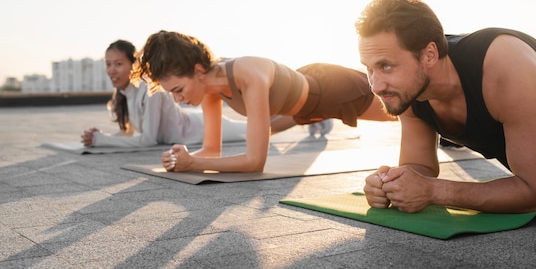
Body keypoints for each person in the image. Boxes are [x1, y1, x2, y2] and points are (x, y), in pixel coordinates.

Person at [357, 0, 536, 214]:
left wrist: (435, 191)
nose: (375, 86)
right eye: (369, 68)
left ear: (428, 55)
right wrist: (390, 184)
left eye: (386, 66)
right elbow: (419, 167)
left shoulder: (505, 64)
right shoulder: (408, 88)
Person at [133, 30, 396, 173]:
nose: (178, 99)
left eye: (178, 90)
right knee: (271, 127)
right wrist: (183, 158)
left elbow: (254, 162)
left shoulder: (247, 74)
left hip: (333, 90)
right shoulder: (209, 89)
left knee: (404, 111)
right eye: (173, 94)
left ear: (199, 70)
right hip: (301, 105)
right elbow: (212, 150)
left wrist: (195, 164)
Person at [80, 40, 248, 148]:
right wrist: (100, 136)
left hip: (199, 127)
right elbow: (128, 133)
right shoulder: (125, 95)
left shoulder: (151, 90)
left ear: (134, 66)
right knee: (264, 125)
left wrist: (101, 141)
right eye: (108, 64)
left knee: (260, 128)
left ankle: (274, 108)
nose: (111, 70)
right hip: (193, 122)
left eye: (118, 64)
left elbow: (147, 140)